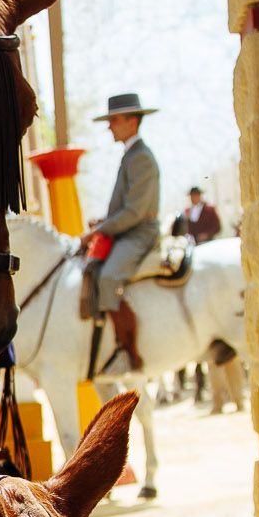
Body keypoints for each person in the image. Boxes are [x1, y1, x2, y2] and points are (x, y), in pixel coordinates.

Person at [85, 91, 162, 372]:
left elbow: (134, 212)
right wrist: (102, 222)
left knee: (108, 278)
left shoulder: (141, 157)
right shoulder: (131, 154)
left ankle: (130, 352)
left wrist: (99, 231)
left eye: (114, 120)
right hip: (127, 229)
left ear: (132, 122)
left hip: (139, 231)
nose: (109, 126)